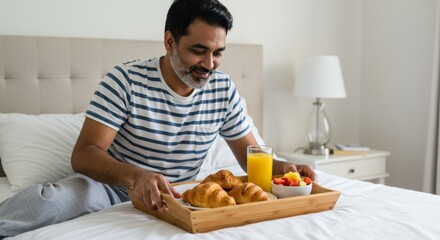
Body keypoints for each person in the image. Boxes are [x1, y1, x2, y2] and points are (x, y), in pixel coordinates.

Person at [0, 0, 316, 237]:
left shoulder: (222, 88)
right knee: (52, 202)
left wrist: (283, 168)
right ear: (169, 42)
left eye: (218, 52)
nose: (210, 64)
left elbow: (251, 158)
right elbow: (83, 155)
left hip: (187, 196)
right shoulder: (125, 79)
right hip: (113, 188)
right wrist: (135, 177)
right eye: (199, 50)